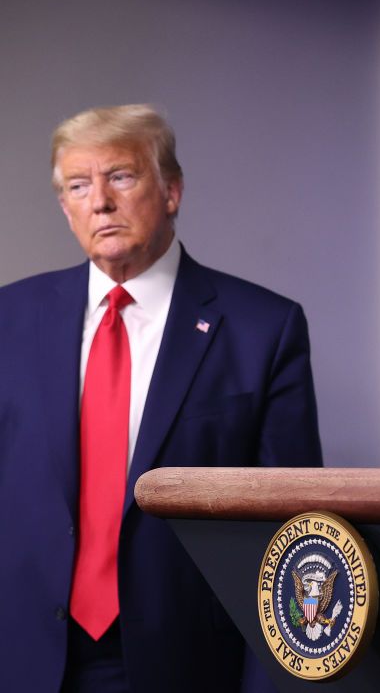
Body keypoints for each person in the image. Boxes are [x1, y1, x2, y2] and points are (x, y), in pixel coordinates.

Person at [0, 104, 323, 692]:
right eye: (78, 185)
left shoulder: (262, 328)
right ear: (65, 207)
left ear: (171, 190)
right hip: (25, 656)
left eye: (120, 176)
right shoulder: (9, 319)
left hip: (188, 662)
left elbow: (292, 531)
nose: (100, 201)